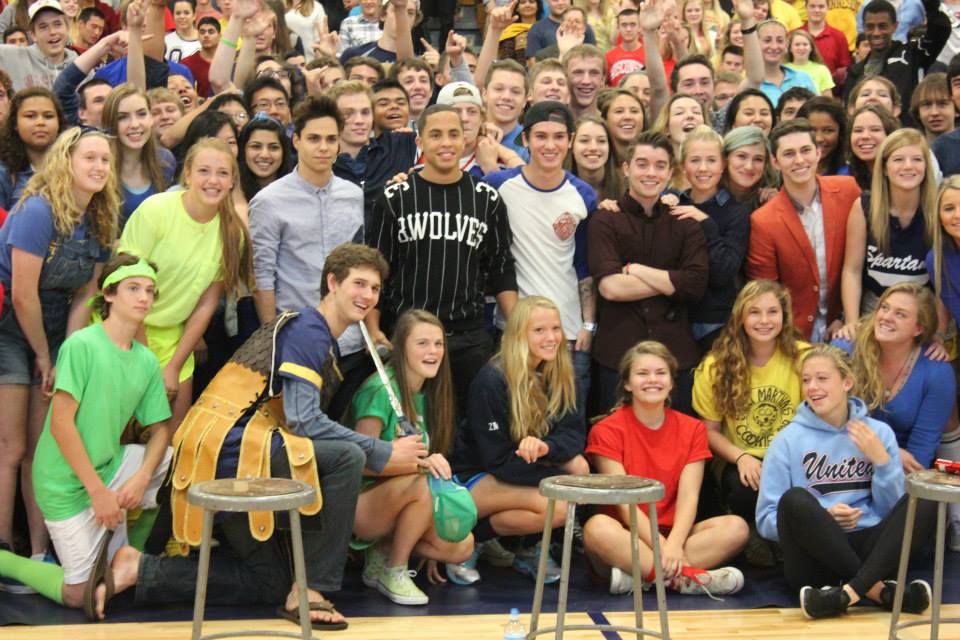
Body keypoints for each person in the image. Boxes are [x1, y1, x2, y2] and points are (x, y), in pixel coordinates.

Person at [100, 244, 428, 629]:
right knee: (348, 457)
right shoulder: (310, 330)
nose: (367, 295)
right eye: (359, 283)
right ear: (332, 282)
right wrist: (382, 450)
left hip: (234, 447)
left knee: (270, 582)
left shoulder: (319, 335)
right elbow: (304, 422)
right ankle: (312, 591)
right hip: (232, 449)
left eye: (374, 289)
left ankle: (138, 567)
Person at [0, 254, 171, 616]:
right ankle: (4, 561)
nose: (144, 298)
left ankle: (130, 552)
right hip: (63, 483)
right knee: (79, 595)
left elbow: (161, 431)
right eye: (133, 289)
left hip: (108, 467)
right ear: (108, 295)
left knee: (172, 462)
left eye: (150, 291)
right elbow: (61, 425)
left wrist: (141, 478)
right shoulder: (81, 345)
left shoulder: (145, 360)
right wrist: (98, 493)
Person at [0, 127, 117, 592]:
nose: (99, 168)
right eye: (89, 158)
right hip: (10, 326)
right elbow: (24, 295)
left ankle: (39, 551)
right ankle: (4, 547)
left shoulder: (102, 215)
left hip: (55, 329)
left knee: (42, 448)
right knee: (12, 449)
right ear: (65, 160)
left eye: (105, 160)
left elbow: (86, 292)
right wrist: (44, 357)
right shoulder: (37, 209)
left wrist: (65, 357)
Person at [756, 344, 935, 620]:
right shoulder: (786, 441)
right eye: (806, 380)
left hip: (872, 553)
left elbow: (893, 510)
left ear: (847, 382)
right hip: (814, 561)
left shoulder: (877, 433)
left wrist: (883, 463)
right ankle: (879, 592)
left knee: (925, 498)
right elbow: (766, 520)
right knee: (794, 500)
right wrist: (822, 518)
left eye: (822, 378)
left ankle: (843, 595)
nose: (812, 387)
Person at [366, 103, 517, 412]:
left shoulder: (486, 198)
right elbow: (375, 270)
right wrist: (373, 326)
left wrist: (515, 325)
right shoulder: (394, 197)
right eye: (435, 135)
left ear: (466, 141)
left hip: (469, 337)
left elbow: (501, 267)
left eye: (453, 134)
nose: (446, 143)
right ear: (420, 142)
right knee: (413, 427)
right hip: (408, 333)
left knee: (470, 427)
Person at [583, 340, 748, 598]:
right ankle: (683, 579)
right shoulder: (606, 430)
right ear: (627, 383)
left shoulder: (692, 429)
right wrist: (662, 547)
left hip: (676, 538)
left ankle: (645, 578)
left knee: (737, 528)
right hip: (627, 539)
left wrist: (674, 543)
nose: (653, 380)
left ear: (672, 382)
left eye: (661, 373)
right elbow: (625, 504)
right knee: (596, 528)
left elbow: (689, 496)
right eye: (642, 373)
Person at [449, 295, 589, 584]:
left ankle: (527, 548)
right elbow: (496, 458)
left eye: (555, 329)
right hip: (476, 475)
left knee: (579, 468)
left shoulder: (563, 374)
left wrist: (546, 446)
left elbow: (575, 435)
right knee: (562, 499)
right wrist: (556, 476)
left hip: (521, 467)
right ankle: (469, 540)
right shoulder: (492, 379)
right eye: (539, 330)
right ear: (518, 335)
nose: (551, 338)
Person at [118, 137, 251, 431]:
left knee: (171, 434)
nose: (213, 181)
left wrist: (174, 365)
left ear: (232, 182)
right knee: (121, 431)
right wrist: (146, 364)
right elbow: (127, 288)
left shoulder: (232, 234)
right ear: (187, 174)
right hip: (125, 330)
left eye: (223, 173)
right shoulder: (156, 210)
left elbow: (206, 305)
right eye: (204, 171)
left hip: (174, 339)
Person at [249, 96, 366, 420]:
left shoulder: (353, 195)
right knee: (297, 435)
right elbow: (262, 276)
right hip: (296, 338)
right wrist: (272, 338)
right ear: (296, 139)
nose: (323, 148)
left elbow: (363, 266)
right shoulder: (269, 201)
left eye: (331, 139)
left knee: (346, 431)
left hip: (352, 341)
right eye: (314, 138)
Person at [346, 309, 473, 603]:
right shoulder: (379, 390)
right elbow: (358, 463)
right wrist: (416, 466)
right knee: (420, 483)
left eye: (438, 344)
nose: (433, 352)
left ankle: (385, 551)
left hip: (403, 499)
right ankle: (395, 570)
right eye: (422, 343)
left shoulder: (429, 394)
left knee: (461, 546)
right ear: (401, 346)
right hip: (362, 505)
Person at [483, 101, 596, 419]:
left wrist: (588, 323)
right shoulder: (498, 186)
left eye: (559, 136)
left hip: (568, 333)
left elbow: (585, 267)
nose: (550, 145)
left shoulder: (584, 195)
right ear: (525, 139)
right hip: (514, 331)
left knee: (567, 427)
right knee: (516, 423)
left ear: (570, 140)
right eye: (541, 136)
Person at [588, 131, 708, 414]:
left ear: (670, 173)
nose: (651, 173)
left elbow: (696, 284)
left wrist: (637, 271)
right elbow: (611, 288)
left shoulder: (684, 222)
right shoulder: (606, 219)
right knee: (614, 446)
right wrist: (672, 280)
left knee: (676, 447)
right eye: (642, 164)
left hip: (676, 356)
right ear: (627, 169)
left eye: (659, 166)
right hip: (617, 356)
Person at [693, 281, 806, 550]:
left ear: (784, 316)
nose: (764, 320)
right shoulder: (715, 366)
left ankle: (787, 541)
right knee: (747, 485)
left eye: (772, 312)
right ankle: (754, 533)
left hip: (794, 456)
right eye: (754, 312)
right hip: (741, 456)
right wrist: (742, 458)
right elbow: (709, 431)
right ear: (740, 317)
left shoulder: (803, 358)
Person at [746, 118, 861, 341]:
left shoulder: (848, 191)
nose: (799, 160)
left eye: (805, 150)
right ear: (775, 162)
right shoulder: (763, 220)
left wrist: (844, 315)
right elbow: (767, 291)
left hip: (845, 325)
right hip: (793, 334)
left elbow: (862, 263)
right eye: (788, 154)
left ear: (818, 153)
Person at [834, 283, 954, 476]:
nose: (886, 318)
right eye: (884, 307)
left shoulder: (937, 372)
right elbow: (826, 425)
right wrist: (889, 451)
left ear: (918, 329)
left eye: (900, 314)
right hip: (841, 467)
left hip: (899, 477)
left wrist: (886, 466)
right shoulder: (846, 348)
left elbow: (918, 459)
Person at [840, 128, 936, 331]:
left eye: (917, 159)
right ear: (884, 167)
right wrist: (851, 321)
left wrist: (940, 331)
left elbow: (946, 279)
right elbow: (852, 270)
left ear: (927, 166)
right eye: (898, 159)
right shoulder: (864, 206)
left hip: (924, 312)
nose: (908, 166)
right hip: (874, 309)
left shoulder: (938, 209)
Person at [674, 125, 751, 350]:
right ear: (683, 166)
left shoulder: (736, 212)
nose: (703, 168)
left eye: (711, 160)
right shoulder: (673, 205)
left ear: (723, 165)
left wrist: (705, 223)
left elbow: (723, 272)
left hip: (718, 322)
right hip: (677, 318)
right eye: (695, 160)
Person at [843, 0, 948, 128]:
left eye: (882, 26)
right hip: (870, 139)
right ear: (863, 28)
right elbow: (848, 112)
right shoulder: (855, 72)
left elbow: (940, 30)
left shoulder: (911, 54)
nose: (876, 33)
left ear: (895, 26)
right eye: (870, 27)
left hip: (905, 137)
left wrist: (930, 5)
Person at [100, 84, 176, 229]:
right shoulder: (100, 168)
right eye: (122, 117)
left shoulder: (165, 161)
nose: (134, 124)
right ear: (110, 123)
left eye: (141, 114)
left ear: (151, 118)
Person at [0, 86, 64, 210]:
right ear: (15, 124)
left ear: (59, 123)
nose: (40, 122)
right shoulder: (4, 174)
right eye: (30, 116)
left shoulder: (74, 167)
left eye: (48, 116)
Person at [0, 0, 77, 91]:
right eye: (43, 27)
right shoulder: (14, 56)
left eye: (57, 24)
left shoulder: (80, 65)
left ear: (67, 29)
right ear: (33, 35)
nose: (52, 32)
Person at [756, 20, 817, 106]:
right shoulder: (750, 83)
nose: (774, 46)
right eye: (767, 40)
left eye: (780, 41)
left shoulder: (803, 78)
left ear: (787, 44)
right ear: (755, 43)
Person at [565, 114, 623, 201]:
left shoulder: (627, 188)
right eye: (584, 141)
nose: (593, 148)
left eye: (601, 141)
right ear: (571, 146)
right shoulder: (559, 188)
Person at [237, 113, 293, 202]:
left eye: (273, 147)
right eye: (256, 146)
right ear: (243, 150)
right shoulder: (230, 194)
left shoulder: (296, 193)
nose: (264, 155)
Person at [721, 124, 778, 210]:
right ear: (726, 157)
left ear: (766, 164)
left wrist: (777, 205)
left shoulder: (769, 198)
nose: (749, 166)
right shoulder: (706, 195)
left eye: (758, 159)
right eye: (741, 156)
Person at [799, 0, 851, 86]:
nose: (817, 10)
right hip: (799, 91)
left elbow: (844, 70)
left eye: (821, 6)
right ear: (806, 8)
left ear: (828, 8)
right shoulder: (794, 35)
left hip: (830, 91)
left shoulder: (839, 36)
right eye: (812, 6)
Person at [848, 103, 899, 191]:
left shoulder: (902, 175)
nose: (865, 136)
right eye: (858, 130)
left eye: (875, 129)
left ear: (890, 134)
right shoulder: (843, 175)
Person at [796, 96, 849, 176]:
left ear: (841, 132)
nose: (818, 138)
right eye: (812, 130)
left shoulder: (850, 174)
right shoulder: (785, 172)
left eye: (828, 130)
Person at [909, 73, 955, 145]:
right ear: (918, 112)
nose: (934, 112)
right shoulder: (909, 151)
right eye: (927, 105)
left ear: (957, 110)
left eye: (942, 104)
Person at [181, 16, 221, 98]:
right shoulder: (186, 64)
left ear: (220, 35)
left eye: (211, 32)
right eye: (202, 32)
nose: (206, 35)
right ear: (198, 35)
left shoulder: (229, 62)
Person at [785, 30, 834, 97]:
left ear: (811, 48)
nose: (801, 48)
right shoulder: (783, 69)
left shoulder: (822, 70)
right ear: (790, 48)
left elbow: (827, 100)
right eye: (797, 45)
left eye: (805, 44)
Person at [605, 8, 644, 87]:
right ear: (618, 27)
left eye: (633, 25)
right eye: (624, 25)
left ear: (640, 27)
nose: (628, 29)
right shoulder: (608, 57)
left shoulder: (649, 55)